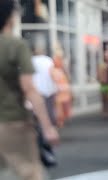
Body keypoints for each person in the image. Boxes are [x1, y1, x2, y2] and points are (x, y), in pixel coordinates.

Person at [0, 1, 59, 179]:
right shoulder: (16, 46)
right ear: (11, 16)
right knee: (29, 172)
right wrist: (47, 127)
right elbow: (29, 88)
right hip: (13, 121)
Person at [52, 43, 72, 127]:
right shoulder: (53, 69)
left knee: (63, 107)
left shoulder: (62, 69)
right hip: (58, 91)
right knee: (58, 107)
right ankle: (59, 121)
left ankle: (60, 120)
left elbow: (67, 78)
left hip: (63, 90)